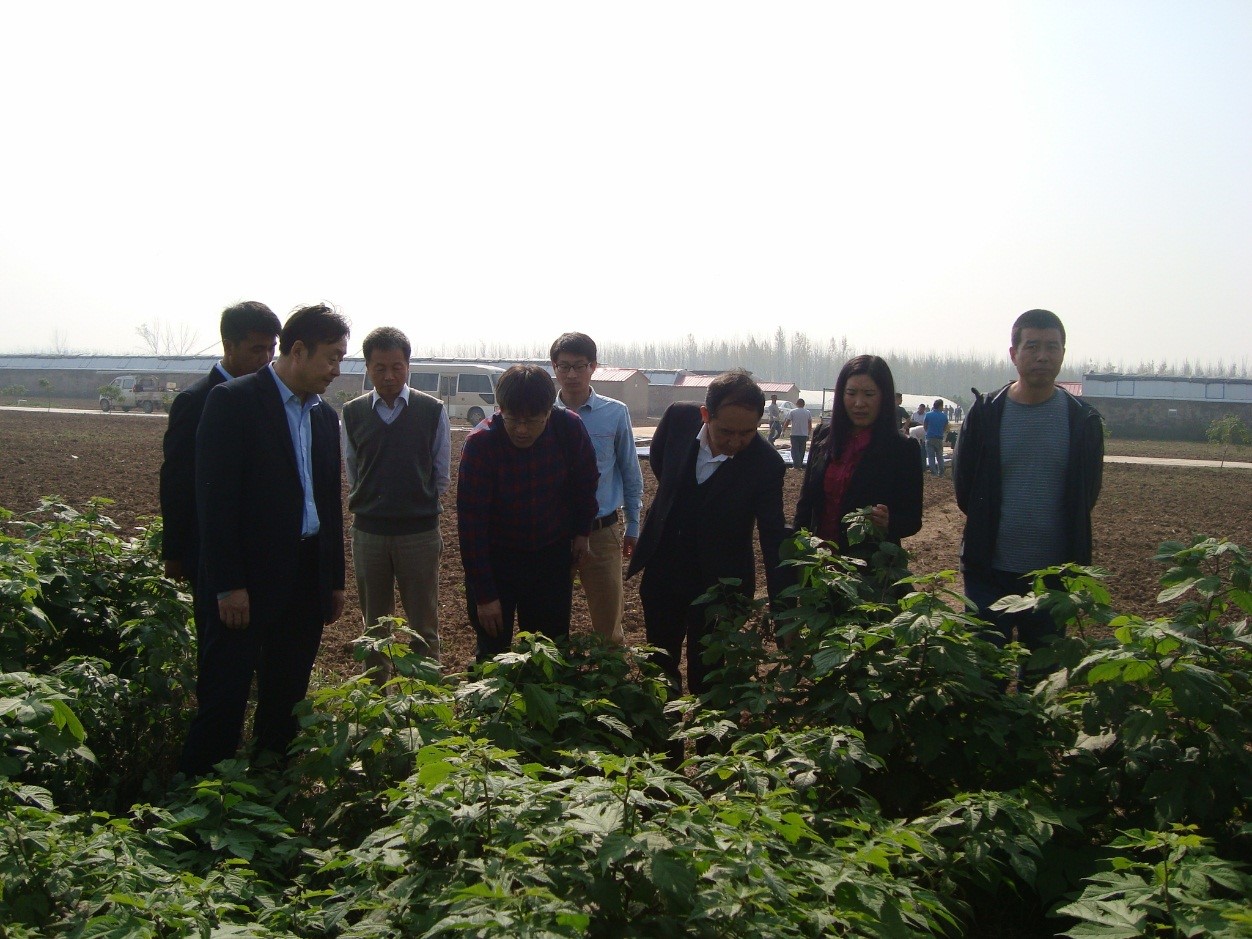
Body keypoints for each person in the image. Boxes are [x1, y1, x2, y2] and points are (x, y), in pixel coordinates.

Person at [179, 304, 349, 776]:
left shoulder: (323, 417)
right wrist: (229, 584)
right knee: (224, 697)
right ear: (298, 351)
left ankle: (272, 791)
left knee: (286, 698)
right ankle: (199, 796)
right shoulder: (233, 402)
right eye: (332, 358)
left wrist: (333, 579)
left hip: (305, 576)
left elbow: (328, 501)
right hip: (247, 582)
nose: (337, 370)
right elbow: (215, 503)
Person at [955, 308, 1104, 670]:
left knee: (1041, 675)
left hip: (1052, 577)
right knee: (984, 669)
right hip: (988, 571)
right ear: (1013, 353)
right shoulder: (986, 413)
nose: (1042, 356)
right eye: (1032, 346)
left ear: (1063, 354)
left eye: (1052, 347)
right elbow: (965, 489)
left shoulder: (1081, 419)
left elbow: (1087, 494)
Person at [627, 370, 788, 695]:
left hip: (721, 584)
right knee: (659, 663)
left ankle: (707, 728)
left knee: (710, 674)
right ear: (705, 415)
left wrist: (784, 610)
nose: (735, 442)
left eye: (747, 433)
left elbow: (773, 537)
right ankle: (663, 725)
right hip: (664, 568)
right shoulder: (678, 419)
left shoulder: (766, 464)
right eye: (726, 431)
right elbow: (661, 462)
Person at [457, 365, 599, 662]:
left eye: (532, 420)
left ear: (549, 412)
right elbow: (471, 526)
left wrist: (581, 532)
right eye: (513, 419)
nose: (521, 430)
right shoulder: (481, 443)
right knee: (492, 653)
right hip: (497, 558)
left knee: (548, 651)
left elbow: (585, 483)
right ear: (500, 409)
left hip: (550, 556)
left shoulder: (568, 429)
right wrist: (485, 596)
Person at [160, 301, 281, 640]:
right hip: (211, 550)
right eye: (257, 349)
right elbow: (177, 481)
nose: (266, 358)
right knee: (222, 644)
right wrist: (175, 551)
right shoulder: (196, 401)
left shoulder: (273, 399)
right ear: (229, 346)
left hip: (261, 549)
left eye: (271, 348)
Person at [342, 326, 451, 678]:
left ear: (408, 366)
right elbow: (354, 470)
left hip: (419, 534)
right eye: (380, 368)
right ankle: (377, 698)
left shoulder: (431, 410)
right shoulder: (352, 413)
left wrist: (412, 502)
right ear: (367, 368)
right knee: (374, 628)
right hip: (369, 534)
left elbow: (441, 474)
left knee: (423, 625)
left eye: (397, 367)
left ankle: (425, 694)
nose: (389, 376)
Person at [550, 332, 643, 646]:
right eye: (564, 367)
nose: (571, 374)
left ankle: (611, 673)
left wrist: (633, 525)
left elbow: (630, 471)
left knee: (609, 627)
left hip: (602, 532)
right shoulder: (542, 415)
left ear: (593, 366)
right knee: (549, 621)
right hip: (553, 533)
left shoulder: (614, 413)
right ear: (554, 367)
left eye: (580, 366)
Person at [794, 356, 923, 559]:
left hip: (868, 566)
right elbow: (805, 503)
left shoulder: (902, 449)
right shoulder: (823, 436)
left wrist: (889, 522)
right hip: (818, 562)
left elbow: (912, 520)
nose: (859, 403)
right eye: (851, 393)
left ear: (884, 397)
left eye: (869, 394)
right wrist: (798, 552)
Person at [782, 398, 813, 470]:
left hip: (794, 434)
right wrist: (809, 433)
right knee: (802, 450)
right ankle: (800, 465)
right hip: (804, 434)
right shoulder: (807, 412)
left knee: (795, 450)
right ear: (804, 404)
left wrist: (783, 430)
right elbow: (809, 424)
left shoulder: (792, 411)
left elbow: (787, 422)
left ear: (797, 404)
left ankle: (796, 466)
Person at [923, 399, 949, 476]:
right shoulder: (944, 416)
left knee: (931, 457)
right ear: (940, 406)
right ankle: (941, 472)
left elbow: (925, 426)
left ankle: (934, 473)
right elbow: (945, 427)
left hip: (929, 437)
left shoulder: (928, 415)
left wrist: (928, 432)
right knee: (940, 456)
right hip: (939, 438)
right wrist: (941, 432)